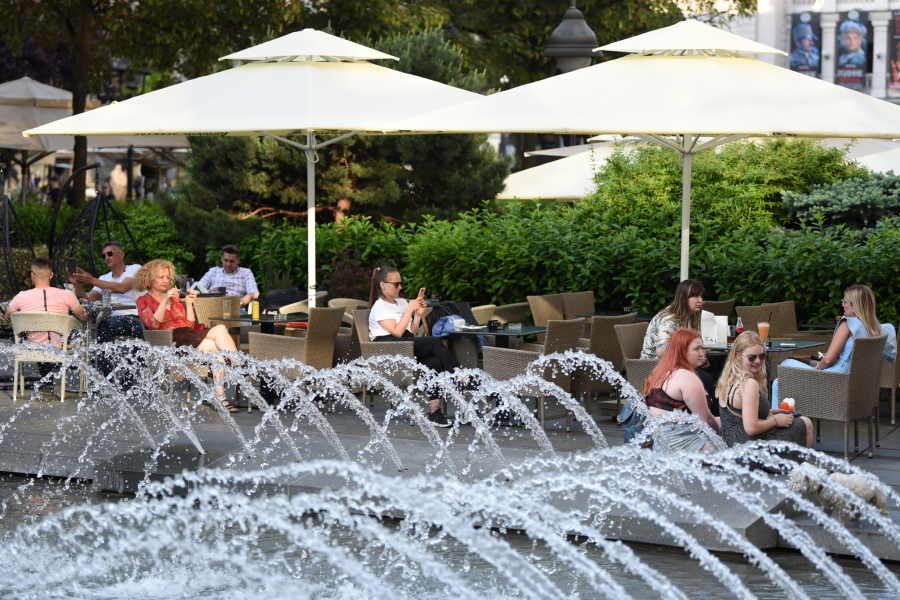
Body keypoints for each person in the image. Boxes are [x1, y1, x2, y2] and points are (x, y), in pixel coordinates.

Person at [135, 259, 239, 412]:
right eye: (161, 277)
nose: (166, 281)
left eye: (167, 277)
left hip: (187, 336)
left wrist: (189, 304)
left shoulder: (176, 298)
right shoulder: (143, 300)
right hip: (170, 341)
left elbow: (188, 325)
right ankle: (241, 364)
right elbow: (153, 324)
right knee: (220, 330)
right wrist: (165, 300)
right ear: (150, 279)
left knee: (219, 354)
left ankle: (221, 398)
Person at [772, 284, 897, 402]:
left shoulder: (848, 324)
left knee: (784, 367)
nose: (842, 305)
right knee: (786, 377)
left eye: (845, 302)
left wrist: (817, 368)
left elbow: (827, 361)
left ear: (855, 305)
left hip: (836, 380)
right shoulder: (876, 329)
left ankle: (780, 421)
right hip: (857, 384)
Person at [368, 266, 458, 427]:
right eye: (396, 284)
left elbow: (410, 331)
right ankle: (459, 374)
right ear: (383, 285)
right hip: (390, 350)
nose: (400, 287)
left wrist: (418, 314)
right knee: (434, 342)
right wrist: (410, 309)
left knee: (435, 363)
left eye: (400, 283)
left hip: (404, 345)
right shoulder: (380, 307)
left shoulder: (400, 302)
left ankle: (434, 413)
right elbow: (396, 332)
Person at [717, 332, 812, 450]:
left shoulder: (728, 379)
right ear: (738, 356)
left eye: (762, 356)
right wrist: (775, 420)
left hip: (732, 447)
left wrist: (768, 413)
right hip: (752, 450)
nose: (758, 361)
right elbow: (751, 428)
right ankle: (800, 466)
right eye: (752, 357)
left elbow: (737, 417)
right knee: (806, 423)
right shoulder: (749, 383)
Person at [68, 241, 146, 380]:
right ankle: (106, 377)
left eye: (110, 253)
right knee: (104, 326)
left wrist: (91, 280)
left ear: (121, 254)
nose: (107, 258)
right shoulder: (104, 278)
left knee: (137, 331)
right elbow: (88, 299)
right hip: (116, 321)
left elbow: (123, 287)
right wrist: (77, 284)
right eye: (104, 256)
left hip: (138, 316)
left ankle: (131, 376)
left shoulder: (135, 269)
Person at [6, 257, 86, 392]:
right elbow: (83, 316)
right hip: (59, 345)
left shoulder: (21, 296)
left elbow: (8, 316)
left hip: (32, 346)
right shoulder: (66, 294)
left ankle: (46, 380)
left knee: (35, 337)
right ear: (51, 275)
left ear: (32, 275)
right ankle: (63, 368)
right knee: (71, 337)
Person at [640, 279, 719, 409]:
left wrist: (702, 357)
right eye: (695, 296)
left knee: (718, 369)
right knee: (708, 379)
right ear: (683, 298)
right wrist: (691, 357)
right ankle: (709, 418)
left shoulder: (690, 318)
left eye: (701, 296)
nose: (700, 300)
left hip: (680, 364)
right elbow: (661, 352)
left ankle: (719, 415)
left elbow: (698, 345)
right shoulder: (669, 320)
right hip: (658, 366)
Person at [642, 329, 720, 452]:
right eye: (697, 349)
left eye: (702, 348)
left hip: (657, 442)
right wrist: (719, 435)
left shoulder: (659, 372)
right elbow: (706, 418)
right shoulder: (687, 377)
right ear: (682, 351)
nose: (702, 354)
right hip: (682, 443)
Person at [198, 244, 259, 312]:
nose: (228, 264)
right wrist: (212, 293)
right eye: (226, 260)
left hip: (235, 309)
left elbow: (254, 293)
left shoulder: (245, 272)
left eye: (231, 261)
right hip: (213, 308)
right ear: (221, 258)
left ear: (238, 260)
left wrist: (238, 303)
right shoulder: (213, 271)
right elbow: (198, 290)